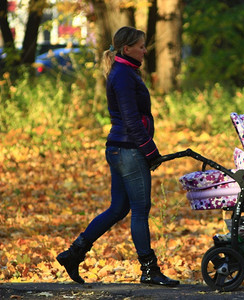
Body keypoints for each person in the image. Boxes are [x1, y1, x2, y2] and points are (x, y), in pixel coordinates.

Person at [56, 26, 179, 287]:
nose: (145, 51)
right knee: (140, 210)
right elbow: (131, 120)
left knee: (118, 208)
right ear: (127, 49)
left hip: (120, 149)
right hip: (128, 150)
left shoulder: (125, 72)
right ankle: (149, 270)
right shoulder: (123, 75)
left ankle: (73, 254)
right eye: (142, 46)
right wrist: (150, 151)